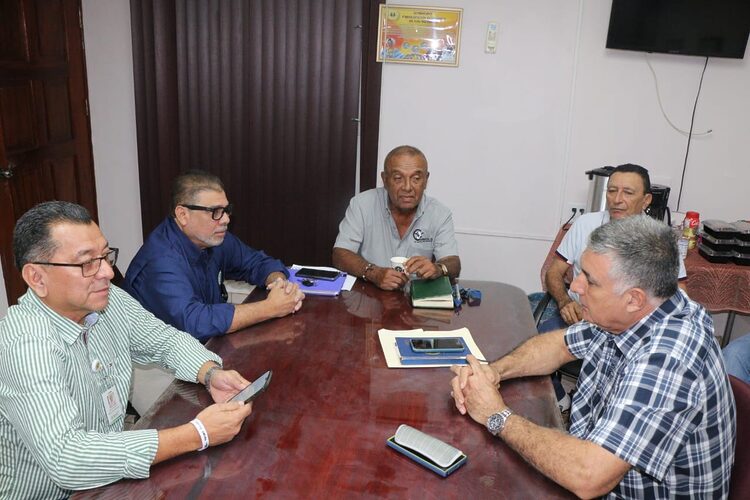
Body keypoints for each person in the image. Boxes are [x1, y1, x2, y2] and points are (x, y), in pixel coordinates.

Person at [451, 215, 735, 498]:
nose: (575, 287)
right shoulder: (636, 310)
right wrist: (494, 372)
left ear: (634, 298)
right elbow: (559, 346)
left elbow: (589, 476)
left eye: (590, 280)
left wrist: (496, 415)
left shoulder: (670, 357)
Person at [0, 201, 255, 498]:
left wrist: (210, 373)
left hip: (110, 480)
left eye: (105, 255)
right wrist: (196, 434)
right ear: (36, 278)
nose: (107, 272)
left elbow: (165, 340)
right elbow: (68, 458)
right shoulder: (24, 345)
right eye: (87, 263)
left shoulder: (108, 303)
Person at [124, 171, 304, 342]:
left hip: (207, 344)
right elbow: (194, 322)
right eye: (216, 212)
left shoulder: (212, 238)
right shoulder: (161, 260)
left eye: (226, 210)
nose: (225, 219)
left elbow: (256, 261)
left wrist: (279, 283)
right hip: (155, 365)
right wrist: (269, 308)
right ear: (183, 215)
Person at [538, 163, 687, 333]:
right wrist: (565, 302)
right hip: (581, 317)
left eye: (628, 193)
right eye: (612, 191)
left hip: (631, 326)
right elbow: (554, 272)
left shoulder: (660, 238)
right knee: (538, 345)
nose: (617, 200)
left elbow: (680, 293)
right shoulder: (585, 224)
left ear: (646, 200)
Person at [332, 145, 460, 290]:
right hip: (368, 297)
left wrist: (438, 269)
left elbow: (453, 263)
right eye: (398, 178)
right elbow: (340, 254)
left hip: (415, 299)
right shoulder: (362, 205)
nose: (407, 187)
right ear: (385, 179)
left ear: (426, 180)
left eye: (416, 178)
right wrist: (374, 273)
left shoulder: (440, 214)